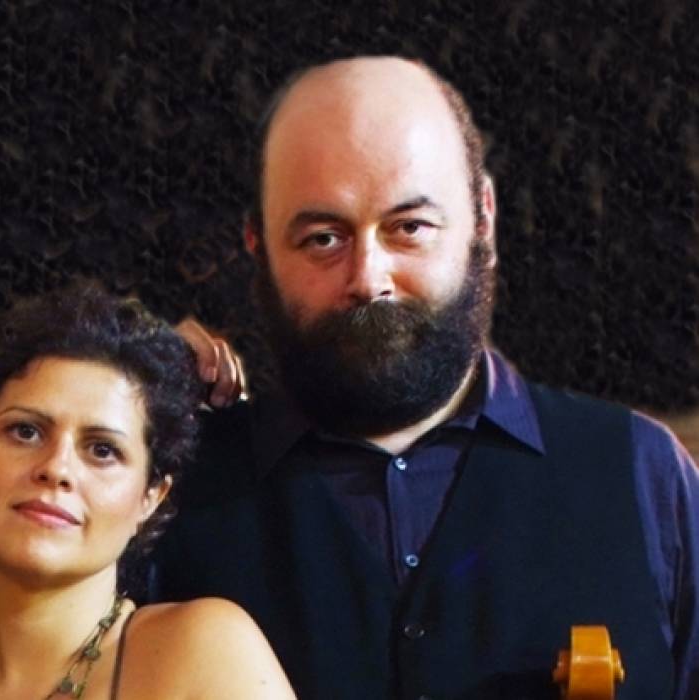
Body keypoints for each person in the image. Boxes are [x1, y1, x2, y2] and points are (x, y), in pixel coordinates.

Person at [149, 56, 699, 699]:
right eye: (323, 238)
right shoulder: (163, 492)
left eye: (409, 227)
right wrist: (113, 379)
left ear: (483, 217)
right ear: (256, 243)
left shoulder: (642, 473)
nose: (368, 278)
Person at [0, 281, 295, 699]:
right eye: (26, 431)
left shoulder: (205, 652)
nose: (56, 468)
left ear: (151, 498)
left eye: (103, 450)